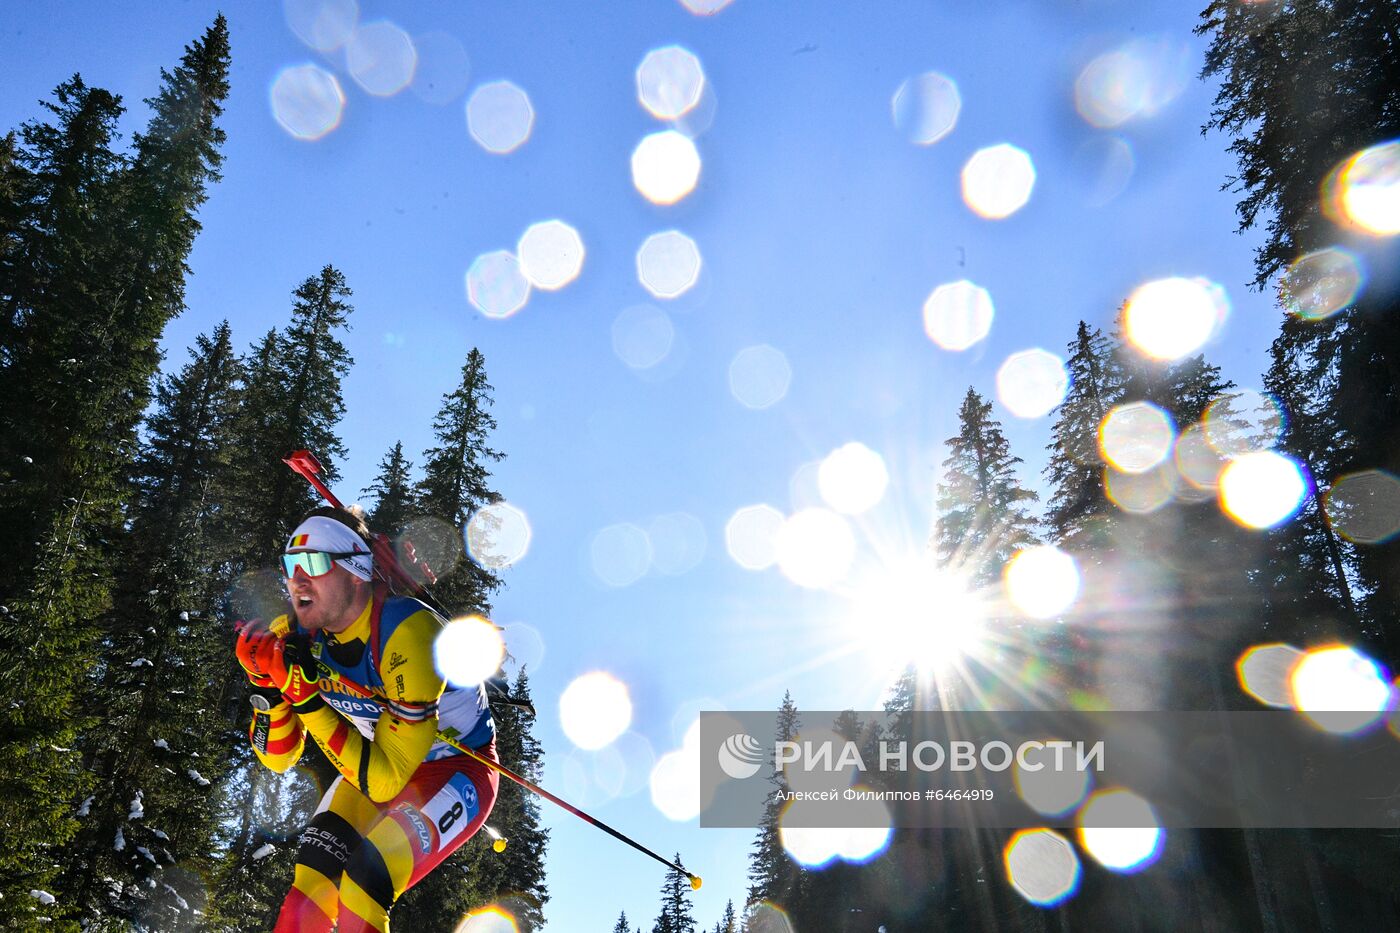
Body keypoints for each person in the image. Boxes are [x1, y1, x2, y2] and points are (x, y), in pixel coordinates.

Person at [234, 506, 498, 933]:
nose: (297, 579)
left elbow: (387, 781)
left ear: (356, 571)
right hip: (376, 755)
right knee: (311, 886)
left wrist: (302, 697)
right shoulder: (297, 635)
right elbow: (279, 760)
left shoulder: (408, 633)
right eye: (290, 565)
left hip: (457, 768)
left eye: (315, 564)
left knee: (365, 881)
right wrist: (268, 690)